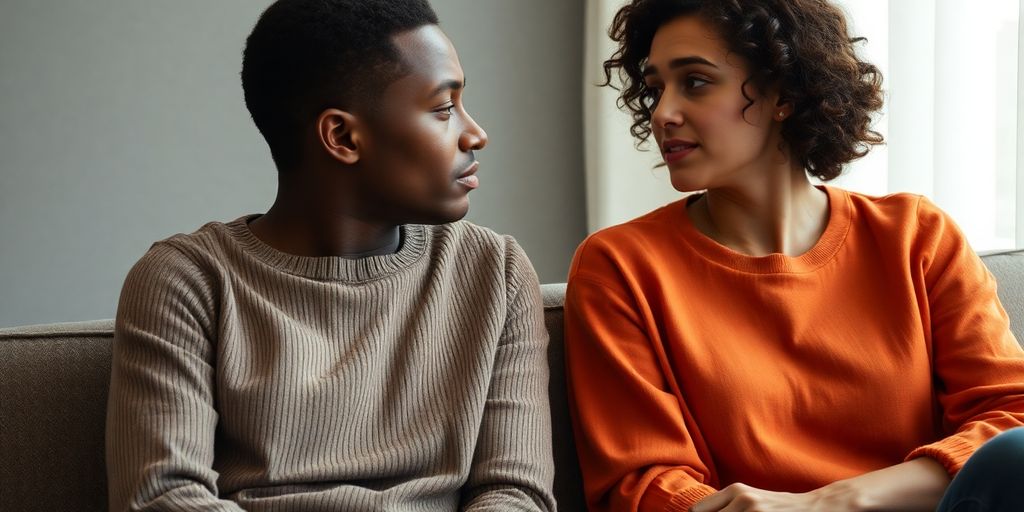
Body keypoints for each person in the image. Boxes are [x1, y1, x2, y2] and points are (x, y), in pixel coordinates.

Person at [563, 1, 1024, 511]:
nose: (663, 113)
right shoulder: (620, 266)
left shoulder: (915, 236)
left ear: (782, 93)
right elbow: (641, 482)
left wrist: (834, 501)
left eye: (694, 82)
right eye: (655, 88)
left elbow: (1013, 419)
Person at [105, 1, 556, 510]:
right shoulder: (186, 281)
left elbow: (514, 494)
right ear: (342, 136)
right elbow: (164, 498)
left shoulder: (495, 273)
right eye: (444, 109)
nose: (475, 134)